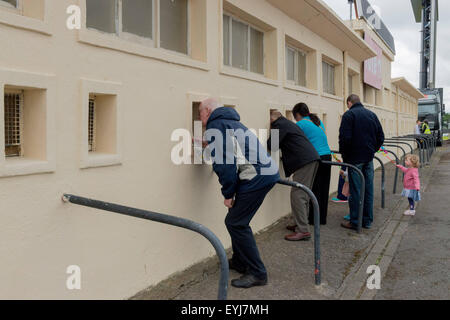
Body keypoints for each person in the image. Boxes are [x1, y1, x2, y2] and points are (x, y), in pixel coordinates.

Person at [199, 98, 280, 289]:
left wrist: (228, 193)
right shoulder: (230, 121)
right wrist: (206, 142)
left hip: (257, 176)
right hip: (263, 172)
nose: (198, 116)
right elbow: (231, 148)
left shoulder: (215, 124)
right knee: (236, 218)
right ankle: (240, 261)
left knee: (236, 222)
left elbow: (224, 163)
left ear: (208, 110)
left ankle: (257, 273)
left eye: (200, 112)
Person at [267, 110, 320, 241]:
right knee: (304, 194)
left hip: (304, 161)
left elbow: (272, 145)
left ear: (272, 119)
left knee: (298, 195)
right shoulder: (287, 123)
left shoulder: (279, 125)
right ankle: (300, 224)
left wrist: (272, 130)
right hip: (310, 159)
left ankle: (303, 230)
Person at [339, 94, 385, 230]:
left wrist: (345, 158)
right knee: (368, 189)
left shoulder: (348, 115)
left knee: (356, 191)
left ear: (349, 103)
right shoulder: (372, 115)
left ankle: (355, 221)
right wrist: (372, 150)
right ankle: (367, 220)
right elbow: (380, 136)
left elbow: (344, 138)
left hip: (354, 159)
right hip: (368, 158)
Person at [293, 103, 332, 225]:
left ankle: (312, 219)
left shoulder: (301, 124)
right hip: (327, 155)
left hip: (316, 157)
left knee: (313, 189)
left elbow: (295, 140)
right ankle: (321, 219)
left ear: (298, 114)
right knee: (323, 189)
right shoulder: (317, 121)